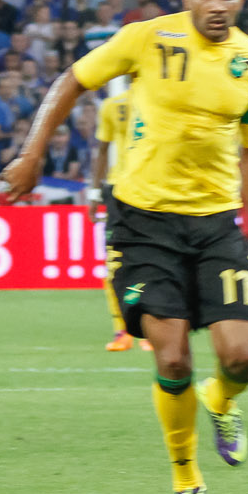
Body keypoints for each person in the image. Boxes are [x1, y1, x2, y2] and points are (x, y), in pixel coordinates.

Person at [2, 0, 248, 494]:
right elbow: (72, 80)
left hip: (215, 223)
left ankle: (221, 399)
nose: (218, 6)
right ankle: (187, 484)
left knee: (243, 356)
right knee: (172, 356)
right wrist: (32, 154)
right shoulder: (146, 39)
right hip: (143, 224)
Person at [87, 88, 150, 353]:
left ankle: (148, 328)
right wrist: (95, 194)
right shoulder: (112, 106)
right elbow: (102, 150)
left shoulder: (163, 99)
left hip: (152, 191)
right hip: (119, 192)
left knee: (152, 263)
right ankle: (122, 330)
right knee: (116, 264)